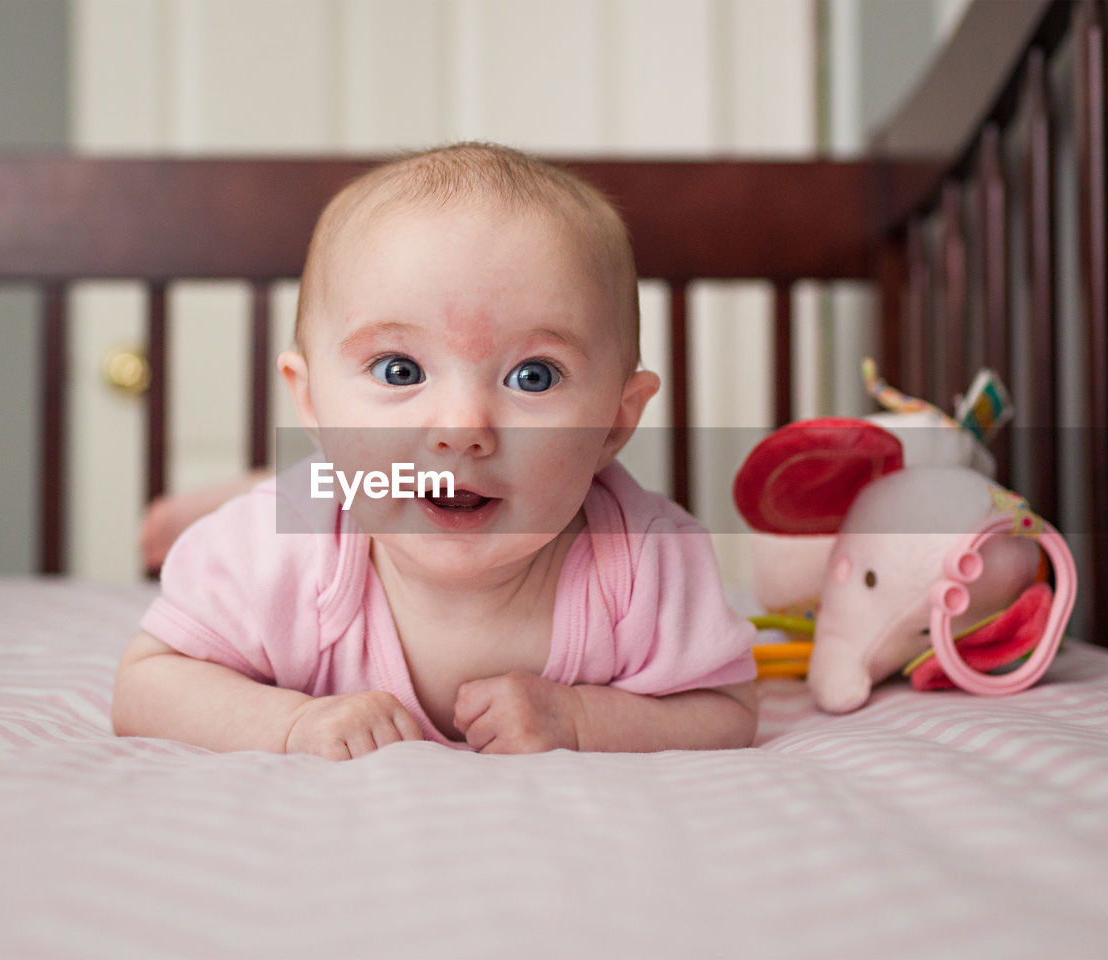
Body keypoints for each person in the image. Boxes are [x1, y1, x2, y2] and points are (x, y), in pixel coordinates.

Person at [112, 142, 757, 759]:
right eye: (398, 370)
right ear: (309, 401)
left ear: (615, 424)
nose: (461, 426)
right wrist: (291, 723)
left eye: (533, 375)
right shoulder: (279, 552)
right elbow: (148, 684)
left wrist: (584, 719)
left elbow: (725, 708)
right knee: (312, 495)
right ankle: (270, 486)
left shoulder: (645, 561)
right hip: (331, 500)